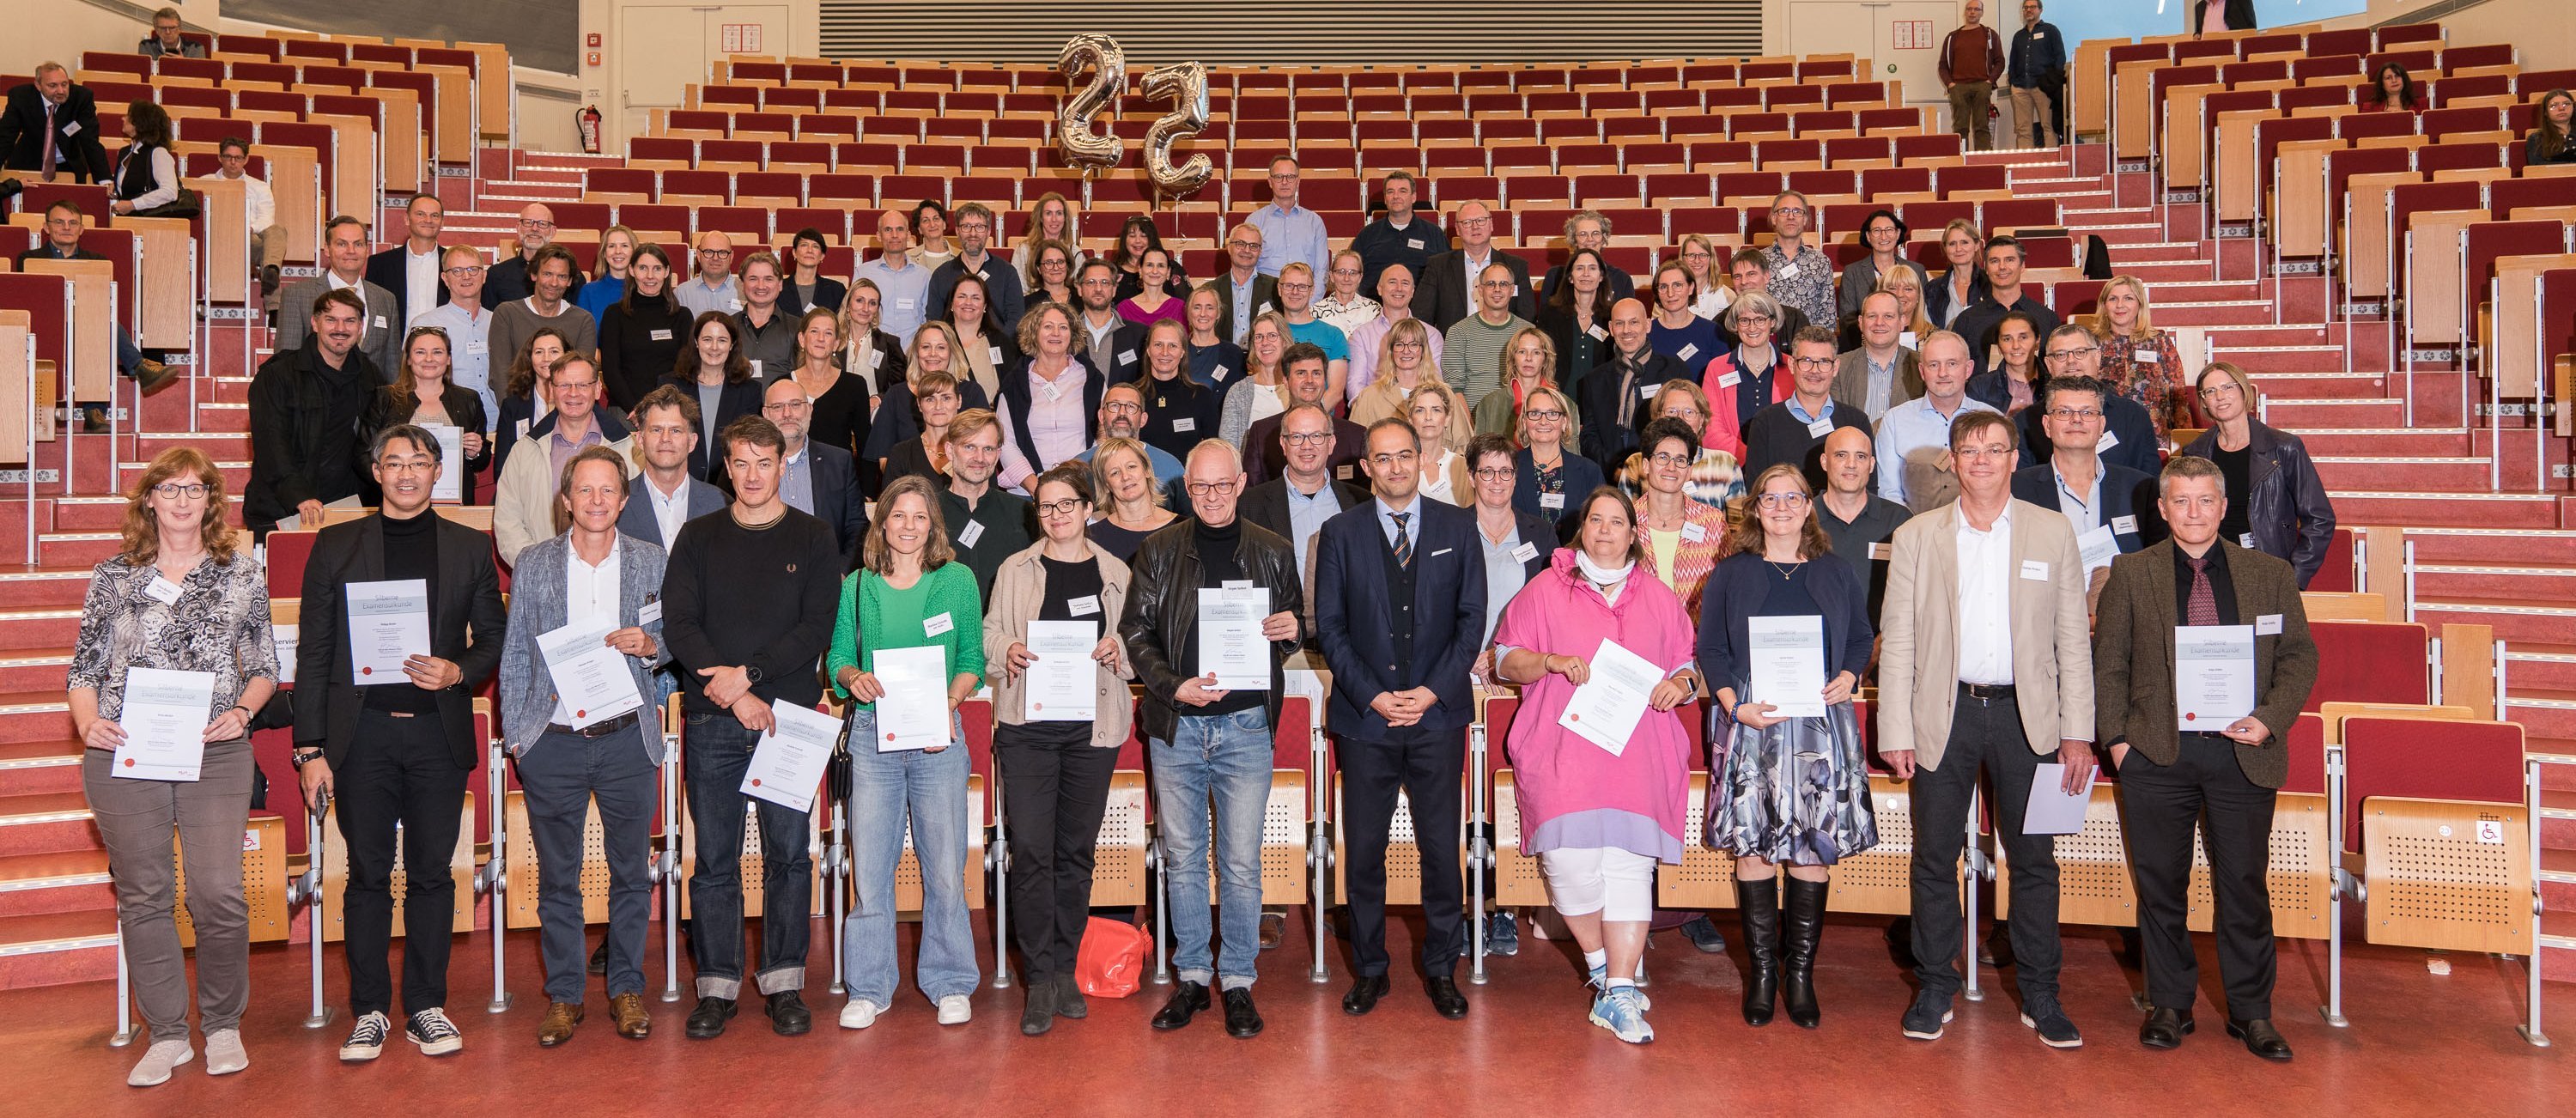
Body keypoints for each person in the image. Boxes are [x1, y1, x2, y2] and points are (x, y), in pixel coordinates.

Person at [1878, 409, 2096, 1048]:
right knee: (1933, 857)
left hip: (2029, 720)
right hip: (1941, 713)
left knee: (2034, 860)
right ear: (1952, 458)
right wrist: (1896, 726)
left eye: (1994, 449)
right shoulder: (1918, 536)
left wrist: (2076, 731)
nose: (1982, 461)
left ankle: (2041, 994)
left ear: (2012, 458)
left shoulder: (2051, 532)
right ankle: (1934, 988)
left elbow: (2071, 643)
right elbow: (1899, 642)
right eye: (1969, 450)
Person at [295, 424, 508, 1061]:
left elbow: (493, 637)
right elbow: (314, 652)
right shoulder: (335, 545)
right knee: (364, 875)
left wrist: (460, 671)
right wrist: (311, 749)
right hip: (360, 739)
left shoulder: (471, 547)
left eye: (420, 462)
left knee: (432, 876)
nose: (408, 473)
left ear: (439, 470)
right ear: (376, 471)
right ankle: (368, 1011)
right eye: (395, 463)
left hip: (438, 738)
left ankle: (425, 1006)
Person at [2096, 455, 2318, 1062]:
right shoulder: (2131, 572)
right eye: (2180, 501)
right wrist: (2119, 743)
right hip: (2157, 756)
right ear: (2163, 509)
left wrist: (2268, 719)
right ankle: (2168, 1003)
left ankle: (2252, 1013)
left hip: (2242, 754)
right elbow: (2109, 665)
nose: (2193, 513)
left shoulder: (2268, 574)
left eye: (2205, 501)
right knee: (2161, 886)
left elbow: (2299, 658)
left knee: (2243, 886)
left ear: (2223, 507)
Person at [69, 448, 275, 1085]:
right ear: (149, 499)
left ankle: (220, 1026)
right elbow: (84, 670)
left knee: (217, 891)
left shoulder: (242, 574)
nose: (183, 499)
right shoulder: (113, 577)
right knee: (144, 895)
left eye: (197, 489)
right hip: (126, 749)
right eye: (170, 488)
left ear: (213, 502)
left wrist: (242, 713)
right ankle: (165, 1035)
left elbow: (264, 666)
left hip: (215, 749)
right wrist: (85, 723)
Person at [1488, 486, 1698, 1043]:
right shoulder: (1543, 591)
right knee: (1569, 868)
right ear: (1582, 529)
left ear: (1634, 534)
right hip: (1563, 754)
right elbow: (1506, 659)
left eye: (1617, 522)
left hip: (1637, 754)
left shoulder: (1658, 597)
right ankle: (1606, 972)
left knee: (1629, 870)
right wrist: (1551, 660)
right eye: (1596, 520)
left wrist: (1679, 684)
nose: (1606, 530)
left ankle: (1621, 991)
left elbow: (1688, 664)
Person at [661, 415, 843, 1039]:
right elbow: (680, 625)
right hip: (713, 719)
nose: (752, 475)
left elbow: (817, 627)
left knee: (790, 857)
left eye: (764, 463)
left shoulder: (815, 537)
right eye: (740, 463)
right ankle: (715, 988)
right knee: (713, 859)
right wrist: (736, 693)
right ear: (727, 467)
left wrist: (752, 676)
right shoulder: (698, 536)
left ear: (782, 465)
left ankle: (785, 982)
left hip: (789, 720)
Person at [1127, 441, 1304, 1038]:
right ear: (1186, 490)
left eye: (1221, 486)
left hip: (1247, 723)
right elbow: (1135, 633)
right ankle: (1193, 977)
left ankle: (1237, 980)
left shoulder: (1274, 551)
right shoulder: (1156, 551)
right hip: (1178, 725)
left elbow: (1291, 629)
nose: (1211, 497)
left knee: (1239, 862)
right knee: (1182, 860)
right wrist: (1173, 687)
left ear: (1239, 482)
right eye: (1199, 487)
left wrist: (1290, 631)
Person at [1315, 419, 1485, 1020]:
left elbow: (1472, 624)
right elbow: (1330, 631)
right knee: (1363, 852)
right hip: (1367, 723)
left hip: (1438, 720)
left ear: (1421, 458)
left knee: (1442, 850)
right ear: (1367, 466)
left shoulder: (1458, 528)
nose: (1394, 468)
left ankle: (1442, 968)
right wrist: (1376, 697)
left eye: (1404, 456)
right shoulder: (1338, 534)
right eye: (1382, 458)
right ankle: (1370, 970)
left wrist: (1433, 693)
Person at [498, 446, 667, 1047]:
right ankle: (566, 996)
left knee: (630, 875)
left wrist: (650, 645)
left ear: (624, 500)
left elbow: (673, 639)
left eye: (608, 491)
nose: (596, 501)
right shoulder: (536, 562)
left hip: (627, 740)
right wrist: (520, 738)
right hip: (556, 742)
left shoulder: (651, 560)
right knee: (559, 879)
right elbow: (515, 654)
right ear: (565, 500)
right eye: (585, 491)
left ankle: (625, 990)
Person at [1700, 464, 1877, 1029]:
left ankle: (1799, 973)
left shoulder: (1835, 570)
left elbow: (1860, 637)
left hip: (1818, 726)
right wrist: (1732, 703)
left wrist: (1850, 675)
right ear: (1755, 508)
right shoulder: (1731, 573)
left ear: (1808, 506)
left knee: (1811, 847)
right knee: (1751, 847)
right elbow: (1711, 647)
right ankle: (1762, 975)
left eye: (1792, 498)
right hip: (1751, 719)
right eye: (1769, 498)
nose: (1780, 506)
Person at [821, 473, 986, 1030]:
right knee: (870, 869)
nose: (909, 526)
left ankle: (951, 982)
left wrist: (949, 702)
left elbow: (971, 660)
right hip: (872, 736)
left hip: (939, 735)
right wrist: (853, 677)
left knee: (944, 868)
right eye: (899, 516)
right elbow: (839, 659)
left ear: (933, 525)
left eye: (920, 516)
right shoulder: (857, 586)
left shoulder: (958, 580)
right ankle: (868, 987)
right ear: (882, 522)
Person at [981, 464, 1134, 1034]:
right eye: (1046, 507)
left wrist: (1122, 651)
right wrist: (1009, 649)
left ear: (1088, 507)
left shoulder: (1116, 571)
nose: (1056, 515)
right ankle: (1039, 978)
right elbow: (988, 633)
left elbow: (1139, 645)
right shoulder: (1014, 569)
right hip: (1028, 728)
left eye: (1066, 504)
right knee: (1033, 855)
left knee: (1074, 855)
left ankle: (1067, 968)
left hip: (1093, 733)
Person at [2178, 362, 2335, 587]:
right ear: (2203, 401)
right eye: (2210, 391)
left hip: (2267, 571)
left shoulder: (2285, 448)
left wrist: (2295, 577)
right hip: (2210, 570)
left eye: (2228, 387)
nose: (2220, 397)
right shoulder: (2195, 452)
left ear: (2244, 391)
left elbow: (2320, 519)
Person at [21, 200, 180, 403]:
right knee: (99, 322)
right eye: (59, 222)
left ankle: (97, 410)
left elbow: (104, 299)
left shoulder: (98, 261)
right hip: (47, 326)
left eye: (73, 223)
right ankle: (135, 371)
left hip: (90, 324)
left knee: (98, 321)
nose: (67, 227)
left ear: (81, 229)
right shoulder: (28, 259)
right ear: (46, 227)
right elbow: (34, 301)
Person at [2013, 374, 2164, 584]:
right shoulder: (2016, 490)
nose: (2077, 419)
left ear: (2102, 426)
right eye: (2064, 412)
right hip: (2046, 612)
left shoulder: (2142, 488)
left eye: (2087, 412)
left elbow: (2158, 564)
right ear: (2047, 425)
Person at [247, 289, 377, 532]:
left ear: (360, 328)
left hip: (346, 511)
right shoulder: (278, 376)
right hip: (283, 509)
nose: (341, 328)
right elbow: (271, 444)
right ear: (315, 323)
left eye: (350, 321)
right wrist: (299, 495)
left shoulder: (371, 377)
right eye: (331, 319)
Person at [496, 355, 634, 565]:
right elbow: (508, 521)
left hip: (612, 573)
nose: (573, 393)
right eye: (564, 385)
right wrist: (538, 568)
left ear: (597, 389)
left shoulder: (629, 449)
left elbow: (636, 517)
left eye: (582, 385)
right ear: (552, 391)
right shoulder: (524, 450)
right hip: (541, 574)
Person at [1244, 404, 1370, 633]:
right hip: (1279, 641)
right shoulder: (1249, 505)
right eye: (1297, 437)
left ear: (1331, 443)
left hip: (1349, 638)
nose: (1307, 446)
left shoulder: (1361, 503)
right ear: (1283, 444)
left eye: (1316, 436)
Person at [357, 327, 491, 504]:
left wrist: (474, 453)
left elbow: (482, 460)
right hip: (398, 503)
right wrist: (392, 484)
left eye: (437, 352)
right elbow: (363, 454)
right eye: (420, 352)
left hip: (453, 506)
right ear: (409, 359)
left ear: (449, 359)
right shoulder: (384, 398)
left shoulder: (469, 400)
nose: (429, 359)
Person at [2014, 323, 2164, 476]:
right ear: (2049, 364)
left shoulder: (2133, 415)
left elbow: (2150, 482)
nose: (2071, 361)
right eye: (2060, 355)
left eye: (2080, 352)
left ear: (2097, 357)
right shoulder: (2025, 421)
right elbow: (2023, 485)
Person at [1876, 331, 2002, 512]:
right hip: (1915, 531)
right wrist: (1918, 531)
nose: (1942, 373)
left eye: (1952, 364)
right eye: (1933, 365)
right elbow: (1889, 492)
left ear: (1968, 369)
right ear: (1922, 371)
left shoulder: (1993, 421)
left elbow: (2001, 486)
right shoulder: (1895, 421)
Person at [750, 373, 868, 562]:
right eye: (778, 407)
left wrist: (841, 573)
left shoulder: (839, 462)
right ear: (765, 414)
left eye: (796, 405)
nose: (787, 414)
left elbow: (857, 527)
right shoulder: (747, 465)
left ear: (810, 411)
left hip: (825, 575)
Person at [1465, 434, 1555, 668]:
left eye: (1505, 472)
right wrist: (1464, 657)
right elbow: (1435, 607)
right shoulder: (1449, 531)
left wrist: (1499, 656)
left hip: (1519, 665)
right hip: (1462, 667)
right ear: (1471, 478)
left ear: (1515, 478)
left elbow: (1551, 607)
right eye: (1487, 472)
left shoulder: (1541, 534)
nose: (1498, 481)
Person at [278, 216, 404, 379]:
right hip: (314, 400)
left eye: (358, 244)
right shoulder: (297, 296)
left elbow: (392, 369)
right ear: (327, 249)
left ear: (367, 250)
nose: (351, 251)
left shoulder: (386, 299)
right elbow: (284, 366)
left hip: (371, 401)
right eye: (342, 244)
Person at [999, 302, 1106, 492]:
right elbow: (1005, 440)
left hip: (1083, 487)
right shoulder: (1014, 383)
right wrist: (1036, 489)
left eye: (1063, 327)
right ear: (1034, 332)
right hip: (1028, 491)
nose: (1056, 333)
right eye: (1048, 326)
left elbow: (1105, 432)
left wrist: (1082, 479)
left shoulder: (1093, 379)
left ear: (1072, 334)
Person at [1747, 327, 1873, 486]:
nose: (1815, 370)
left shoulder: (1857, 422)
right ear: (1792, 365)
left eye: (1824, 362)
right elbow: (1755, 490)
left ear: (1835, 367)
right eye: (1806, 361)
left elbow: (1870, 489)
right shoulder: (1765, 422)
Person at [1630, 417, 1731, 611]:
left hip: (1698, 637)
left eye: (1680, 460)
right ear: (1645, 465)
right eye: (1662, 457)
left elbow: (1729, 587)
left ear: (1689, 470)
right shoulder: (1626, 522)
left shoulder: (1712, 523)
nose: (1671, 467)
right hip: (1640, 636)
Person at [939, 408, 1037, 601]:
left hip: (1005, 628)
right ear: (950, 450)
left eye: (988, 449)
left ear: (998, 454)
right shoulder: (927, 513)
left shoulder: (1022, 513)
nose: (980, 458)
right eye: (969, 447)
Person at [1576, 299, 1686, 470]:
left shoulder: (1674, 371)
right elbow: (1589, 436)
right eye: (1620, 324)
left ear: (1648, 325)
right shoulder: (1593, 380)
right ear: (1611, 328)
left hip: (1661, 473)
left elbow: (1683, 429)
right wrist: (1613, 467)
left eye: (1634, 322)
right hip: (1610, 477)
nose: (1626, 331)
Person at [1814, 426, 1909, 617]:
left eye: (1861, 456)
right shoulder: (1802, 518)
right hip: (1816, 642)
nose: (1851, 464)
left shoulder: (1899, 520)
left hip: (1883, 642)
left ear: (1872, 464)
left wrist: (1883, 642)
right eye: (1841, 455)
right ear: (1825, 462)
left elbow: (1914, 592)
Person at [619, 385, 726, 550]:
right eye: (656, 430)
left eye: (675, 431)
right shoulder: (616, 502)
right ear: (640, 440)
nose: (665, 438)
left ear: (692, 441)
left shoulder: (721, 504)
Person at [1246, 344, 1367, 488]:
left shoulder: (1356, 435)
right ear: (1285, 381)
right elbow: (1251, 495)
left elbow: (1363, 499)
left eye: (1316, 373)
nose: (1309, 380)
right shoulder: (1262, 433)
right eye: (1301, 373)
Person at [1618, 381, 1748, 510]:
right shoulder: (1636, 464)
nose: (1680, 418)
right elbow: (1624, 520)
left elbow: (1739, 526)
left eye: (1689, 412)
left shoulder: (1725, 464)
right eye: (1672, 411)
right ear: (1657, 416)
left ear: (1702, 420)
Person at [663, 312, 763, 481]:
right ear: (696, 342)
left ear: (732, 345)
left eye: (722, 340)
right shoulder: (671, 386)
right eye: (707, 339)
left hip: (730, 484)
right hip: (680, 481)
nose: (714, 347)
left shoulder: (750, 391)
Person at [1698, 291, 1794, 465]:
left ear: (1772, 322)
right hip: (1732, 468)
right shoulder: (1717, 368)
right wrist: (1751, 458)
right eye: (1744, 320)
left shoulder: (1792, 367)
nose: (1752, 328)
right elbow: (1710, 428)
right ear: (1736, 324)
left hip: (1784, 467)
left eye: (1759, 319)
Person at [2092, 276, 2187, 437]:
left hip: (2154, 435)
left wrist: (2183, 440)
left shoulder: (2160, 343)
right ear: (2104, 305)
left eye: (2128, 298)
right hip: (2106, 436)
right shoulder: (2091, 344)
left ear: (2139, 304)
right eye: (2113, 299)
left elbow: (2178, 396)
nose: (2120, 305)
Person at [1949, 236, 2060, 372]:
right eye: (1994, 261)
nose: (2002, 267)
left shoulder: (2047, 319)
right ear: (1987, 269)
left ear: (2023, 266)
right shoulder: (1967, 320)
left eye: (2009, 260)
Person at [489, 245, 599, 382]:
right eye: (547, 274)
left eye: (562, 276)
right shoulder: (506, 314)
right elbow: (500, 375)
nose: (554, 283)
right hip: (516, 401)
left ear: (569, 281)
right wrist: (512, 404)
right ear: (534, 274)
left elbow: (583, 377)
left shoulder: (583, 321)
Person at [598, 244, 688, 412]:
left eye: (657, 269)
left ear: (667, 272)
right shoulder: (614, 314)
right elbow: (611, 371)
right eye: (642, 268)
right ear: (631, 270)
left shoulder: (682, 316)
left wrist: (663, 409)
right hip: (625, 410)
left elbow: (685, 370)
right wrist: (636, 410)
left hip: (670, 409)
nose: (650, 276)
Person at [411, 246, 498, 419]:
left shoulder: (499, 322)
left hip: (497, 420)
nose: (466, 277)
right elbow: (411, 382)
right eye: (457, 271)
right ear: (445, 278)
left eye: (473, 269)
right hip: (448, 422)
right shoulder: (425, 325)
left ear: (484, 276)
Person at [1421, 201, 1535, 326]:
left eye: (1481, 220)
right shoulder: (1438, 266)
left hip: (1504, 344)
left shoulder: (1516, 267)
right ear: (1458, 229)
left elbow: (1527, 318)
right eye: (1467, 222)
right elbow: (1423, 316)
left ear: (1491, 224)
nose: (1475, 227)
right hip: (1454, 344)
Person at [1443, 262, 1540, 406]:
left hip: (1518, 420)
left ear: (1512, 290)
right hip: (1472, 422)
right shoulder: (1458, 332)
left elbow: (1537, 383)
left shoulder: (1528, 332)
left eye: (1503, 284)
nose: (1497, 289)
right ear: (1480, 290)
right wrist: (1470, 426)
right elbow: (1454, 388)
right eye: (1490, 284)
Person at [782, 307, 871, 462]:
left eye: (828, 333)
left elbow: (866, 448)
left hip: (839, 479)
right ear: (802, 339)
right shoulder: (782, 385)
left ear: (836, 344)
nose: (821, 338)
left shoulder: (855, 386)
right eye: (814, 331)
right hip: (790, 477)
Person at [1510, 386, 1602, 531]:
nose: (1543, 421)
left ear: (1564, 422)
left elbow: (1599, 524)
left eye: (1552, 413)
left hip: (1574, 552)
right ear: (1524, 422)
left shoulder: (1589, 472)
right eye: (1535, 413)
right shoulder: (1508, 468)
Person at [929, 203, 1028, 334]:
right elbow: (934, 321)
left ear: (988, 232)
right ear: (958, 231)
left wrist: (997, 346)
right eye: (967, 226)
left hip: (997, 350)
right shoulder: (941, 275)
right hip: (954, 351)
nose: (973, 233)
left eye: (980, 227)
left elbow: (1016, 319)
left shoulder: (1007, 272)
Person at [2, 64, 111, 182]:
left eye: (64, 84)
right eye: (53, 85)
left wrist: (105, 181)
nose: (61, 91)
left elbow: (90, 142)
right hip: (28, 163)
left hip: (68, 165)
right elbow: (5, 137)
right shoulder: (21, 97)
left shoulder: (82, 98)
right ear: (38, 85)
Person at [1132, 319, 1222, 462]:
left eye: (1172, 346)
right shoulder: (1132, 396)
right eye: (1158, 345)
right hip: (1142, 482)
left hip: (1185, 482)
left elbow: (1213, 452)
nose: (1165, 352)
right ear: (1148, 350)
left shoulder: (1202, 397)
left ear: (1182, 352)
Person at [212, 137, 288, 304]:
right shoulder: (206, 182)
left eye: (238, 158)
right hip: (218, 239)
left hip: (249, 239)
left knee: (277, 231)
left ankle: (270, 270)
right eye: (227, 157)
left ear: (245, 159)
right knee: (271, 252)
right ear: (220, 158)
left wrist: (250, 229)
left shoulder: (259, 186)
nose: (233, 162)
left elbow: (267, 218)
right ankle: (274, 306)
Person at [1087, 435, 1182, 562]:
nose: (1125, 477)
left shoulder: (1182, 528)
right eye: (1115, 473)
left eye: (1131, 466)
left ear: (1147, 470)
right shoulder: (1092, 538)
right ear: (1106, 485)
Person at [1836, 210, 1929, 338]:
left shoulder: (1916, 269)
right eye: (1877, 231)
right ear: (1868, 236)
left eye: (1889, 230)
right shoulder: (1852, 272)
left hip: (1912, 339)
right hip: (1865, 341)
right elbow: (1847, 319)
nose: (1884, 237)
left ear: (1897, 234)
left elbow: (1923, 310)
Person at [1473, 327, 1577, 441]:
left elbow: (1572, 452)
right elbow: (1478, 454)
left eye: (1536, 353)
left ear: (1545, 360)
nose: (1529, 358)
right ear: (1513, 358)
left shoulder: (1567, 405)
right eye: (1522, 352)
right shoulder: (1489, 404)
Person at [1352, 169, 1445, 295]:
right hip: (1374, 308)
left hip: (1421, 309)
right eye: (1391, 192)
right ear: (1385, 199)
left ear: (1413, 197)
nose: (1396, 196)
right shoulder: (1367, 234)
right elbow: (1352, 272)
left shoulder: (1434, 234)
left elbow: (1447, 275)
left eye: (1403, 191)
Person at [1075, 380, 1186, 487]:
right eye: (1114, 405)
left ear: (1143, 419)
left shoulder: (1170, 467)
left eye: (1131, 407)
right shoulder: (1079, 468)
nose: (1122, 413)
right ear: (1101, 416)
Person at [492, 330, 571, 476]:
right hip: (522, 489)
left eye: (554, 351)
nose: (546, 358)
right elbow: (501, 468)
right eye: (539, 352)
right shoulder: (512, 406)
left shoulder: (578, 402)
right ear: (530, 358)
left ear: (567, 356)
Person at [1837, 292, 1925, 422]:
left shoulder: (1922, 366)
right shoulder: (1839, 367)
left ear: (1902, 322)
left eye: (1888, 316)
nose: (1879, 323)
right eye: (1872, 316)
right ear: (1861, 322)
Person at [1538, 248, 1616, 388]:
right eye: (1580, 268)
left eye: (1592, 268)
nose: (1586, 274)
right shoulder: (1550, 314)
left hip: (1599, 399)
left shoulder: (1612, 316)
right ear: (1570, 277)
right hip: (1559, 399)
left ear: (1601, 277)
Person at [367, 195, 448, 329]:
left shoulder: (454, 264)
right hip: (397, 348)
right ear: (407, 219)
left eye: (434, 215)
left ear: (442, 222)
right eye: (420, 214)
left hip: (444, 347)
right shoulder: (380, 264)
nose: (428, 220)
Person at [852, 209, 933, 342]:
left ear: (908, 235)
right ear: (879, 236)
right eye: (888, 230)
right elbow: (855, 318)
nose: (894, 235)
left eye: (900, 229)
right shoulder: (863, 273)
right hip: (873, 354)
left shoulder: (924, 276)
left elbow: (928, 321)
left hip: (912, 356)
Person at [1759, 193, 1838, 331]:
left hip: (1810, 346)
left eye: (1797, 211)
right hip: (1768, 344)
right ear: (1774, 219)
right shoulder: (1759, 260)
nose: (1791, 217)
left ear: (1805, 219)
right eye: (1784, 211)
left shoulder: (1821, 261)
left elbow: (1828, 316)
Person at [1274, 262, 1352, 401]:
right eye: (1289, 286)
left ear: (1312, 291)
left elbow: (1335, 392)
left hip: (1319, 418)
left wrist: (1307, 417)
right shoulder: (1268, 333)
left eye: (1302, 287)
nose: (1295, 292)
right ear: (1279, 289)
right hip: (1274, 418)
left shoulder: (1334, 335)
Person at [1218, 313, 1295, 447]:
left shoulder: (1300, 387)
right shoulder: (1238, 392)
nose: (1265, 343)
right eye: (1259, 337)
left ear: (1285, 341)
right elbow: (1229, 448)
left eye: (1272, 335)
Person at [484, 204, 580, 310]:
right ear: (518, 228)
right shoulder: (496, 274)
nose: (534, 229)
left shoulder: (569, 274)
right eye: (528, 223)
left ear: (553, 231)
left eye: (542, 224)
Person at [1351, 317, 1442, 427]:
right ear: (1391, 351)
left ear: (1424, 351)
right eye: (1399, 345)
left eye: (1414, 344)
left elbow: (1462, 442)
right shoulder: (1369, 397)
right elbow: (1354, 440)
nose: (1406, 351)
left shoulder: (1444, 396)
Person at [1941, 1, 2007, 152]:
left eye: (1976, 9)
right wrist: (1951, 84)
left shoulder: (1990, 35)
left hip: (1982, 87)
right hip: (1958, 88)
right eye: (1969, 9)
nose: (1972, 12)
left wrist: (1989, 82)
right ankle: (1961, 160)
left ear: (1982, 13)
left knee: (1982, 127)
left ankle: (1983, 162)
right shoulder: (1952, 37)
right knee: (1960, 128)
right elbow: (1943, 65)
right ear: (1965, 12)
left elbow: (2000, 62)